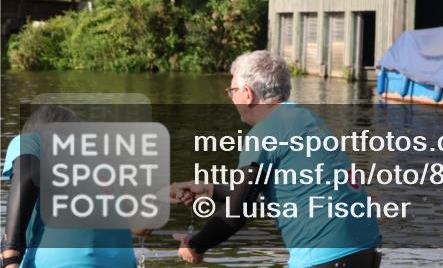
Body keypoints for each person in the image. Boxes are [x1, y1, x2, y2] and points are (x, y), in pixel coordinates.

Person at [170, 50, 381, 267]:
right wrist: (211, 190)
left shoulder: (264, 133)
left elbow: (235, 214)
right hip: (367, 251)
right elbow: (282, 195)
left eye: (232, 91)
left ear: (247, 94)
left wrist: (195, 245)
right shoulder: (306, 119)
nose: (231, 98)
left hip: (325, 258)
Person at [1, 105, 139, 268]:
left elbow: (27, 175)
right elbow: (139, 227)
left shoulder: (32, 140)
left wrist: (10, 256)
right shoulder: (101, 165)